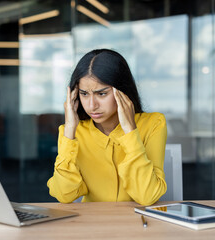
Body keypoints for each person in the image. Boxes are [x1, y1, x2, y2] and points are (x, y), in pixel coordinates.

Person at [47, 49, 167, 206]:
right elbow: (64, 194)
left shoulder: (153, 124)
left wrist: (130, 132)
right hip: (93, 224)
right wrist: (69, 129)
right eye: (84, 94)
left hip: (141, 223)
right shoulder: (73, 132)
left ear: (122, 91)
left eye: (101, 94)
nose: (92, 105)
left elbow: (147, 196)